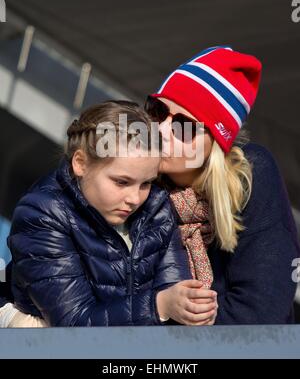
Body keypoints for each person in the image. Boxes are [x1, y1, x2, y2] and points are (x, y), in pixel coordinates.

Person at [0, 101, 218, 327]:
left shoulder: (156, 206)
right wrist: (158, 306)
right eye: (121, 182)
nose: (134, 198)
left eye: (146, 183)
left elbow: (175, 297)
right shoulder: (43, 214)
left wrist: (191, 309)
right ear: (81, 163)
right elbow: (73, 323)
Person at [145, 45, 300, 324]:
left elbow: (260, 313)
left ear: (216, 142)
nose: (161, 130)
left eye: (184, 125)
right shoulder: (131, 182)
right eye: (157, 111)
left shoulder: (251, 176)